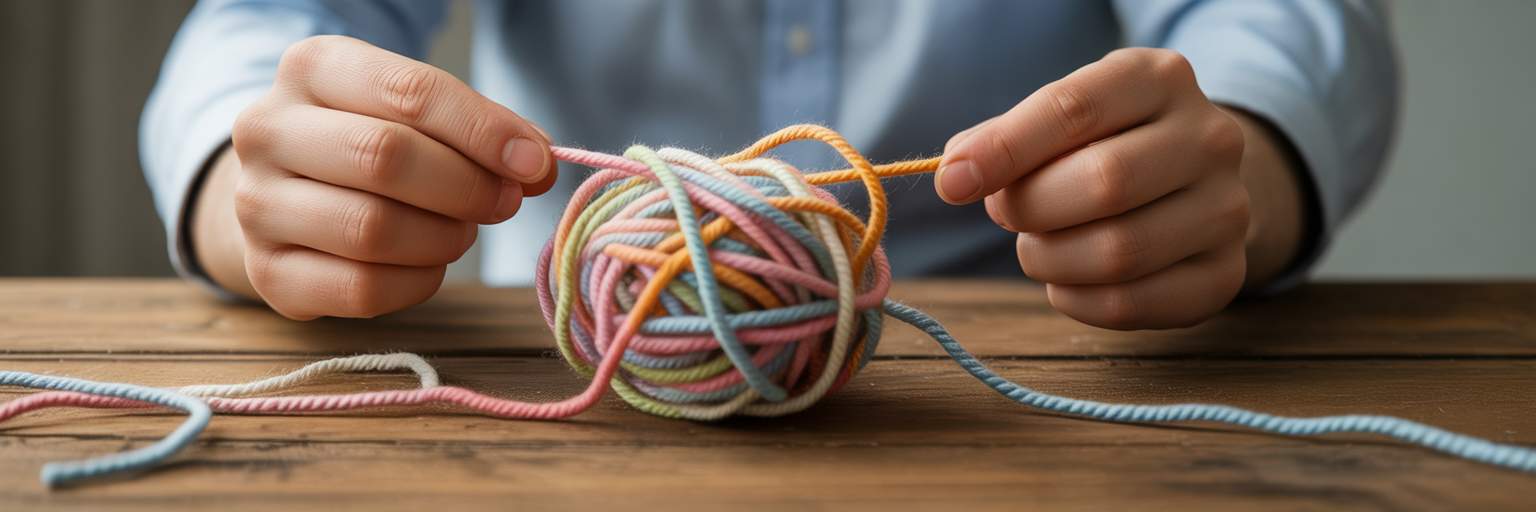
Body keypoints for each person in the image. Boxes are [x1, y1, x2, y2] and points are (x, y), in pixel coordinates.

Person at [141, 0, 1398, 330]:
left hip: (1032, 353)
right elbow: (263, 23)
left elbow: (1281, 15)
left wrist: (1249, 160)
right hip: (588, 347)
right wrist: (250, 189)